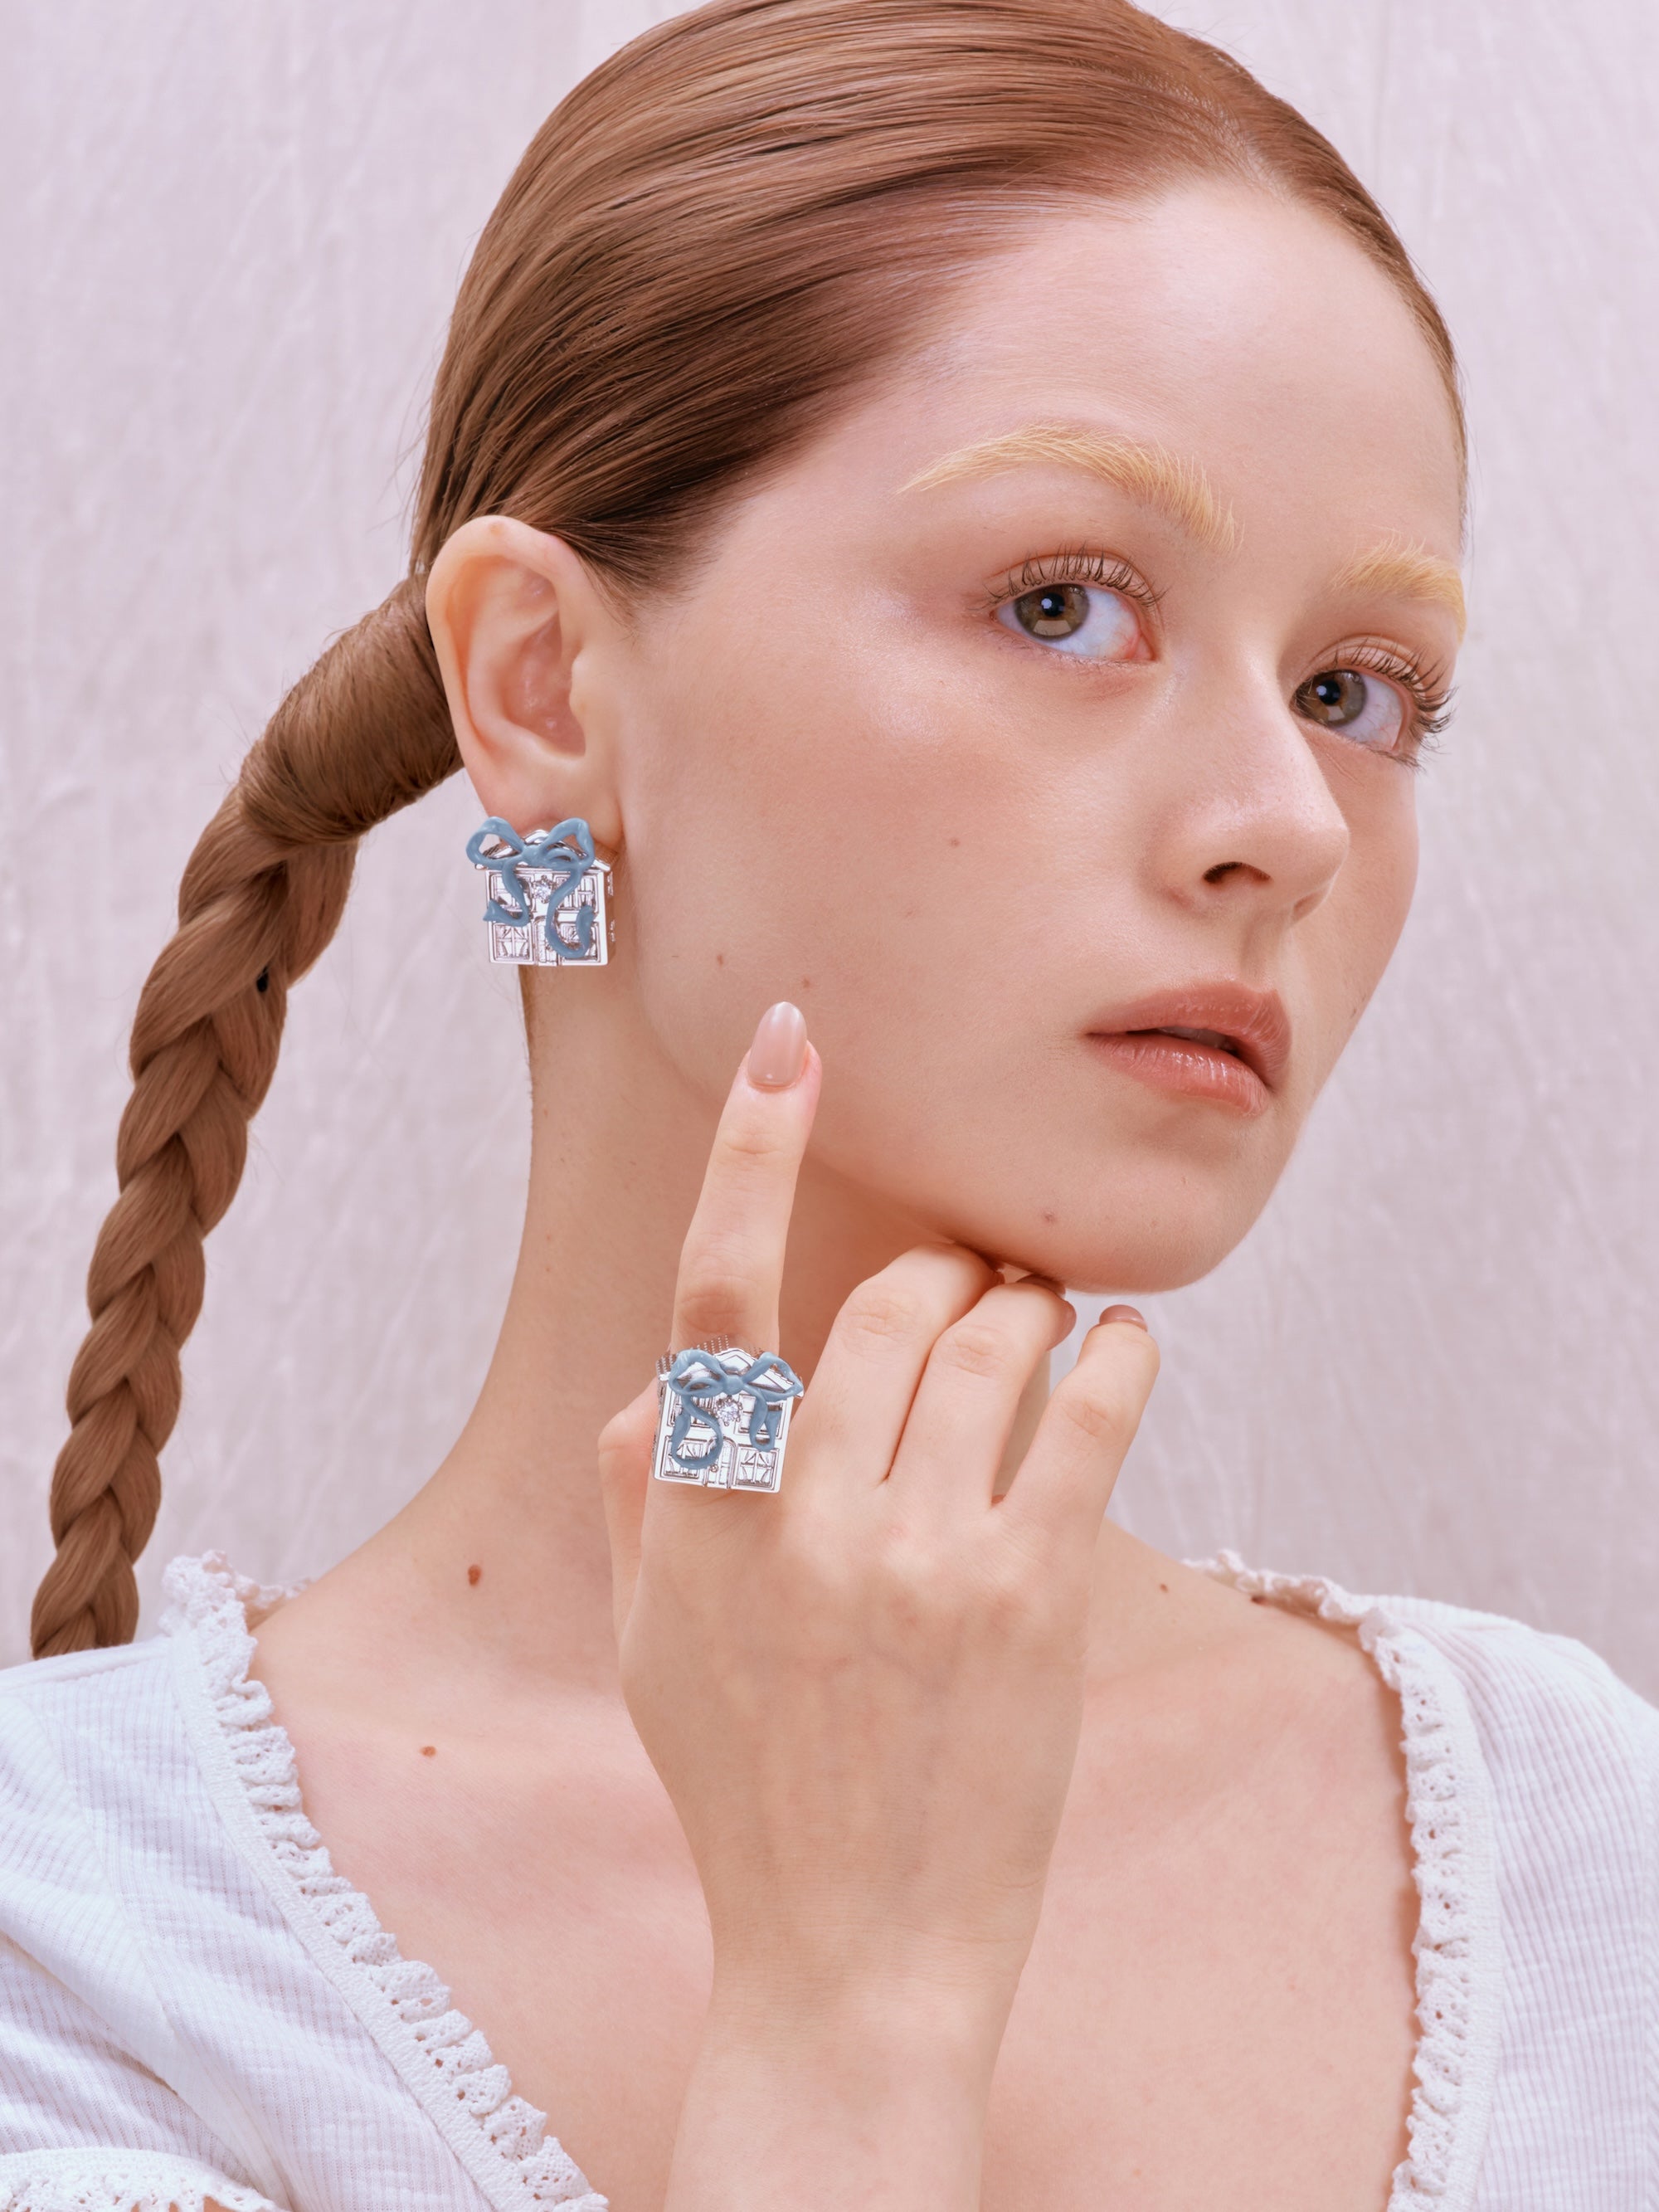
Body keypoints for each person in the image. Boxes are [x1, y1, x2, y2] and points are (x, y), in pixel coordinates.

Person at [4, 0, 1654, 2206]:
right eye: (1063, 603)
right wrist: (845, 2017)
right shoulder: (77, 1950)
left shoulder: (1582, 1853)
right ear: (542, 688)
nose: (1288, 823)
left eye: (1359, 689)